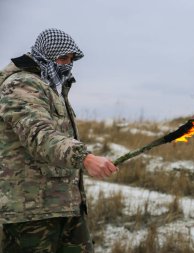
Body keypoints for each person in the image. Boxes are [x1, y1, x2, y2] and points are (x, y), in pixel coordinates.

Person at [0, 28, 118, 252]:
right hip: (30, 209)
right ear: (44, 55)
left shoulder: (52, 88)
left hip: (66, 205)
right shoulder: (21, 85)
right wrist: (84, 158)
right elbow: (39, 135)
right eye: (63, 58)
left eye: (71, 60)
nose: (67, 65)